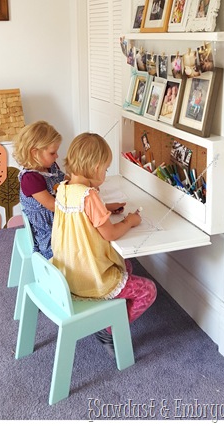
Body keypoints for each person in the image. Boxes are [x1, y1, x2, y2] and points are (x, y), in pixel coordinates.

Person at [51, 133, 157, 356]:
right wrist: (129, 221)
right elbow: (110, 233)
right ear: (96, 167)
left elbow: (82, 216)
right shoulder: (90, 196)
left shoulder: (62, 188)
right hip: (91, 278)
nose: (106, 174)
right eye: (106, 169)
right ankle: (110, 329)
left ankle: (110, 313)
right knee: (148, 290)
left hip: (68, 273)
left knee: (125, 267)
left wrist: (106, 207)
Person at [12, 121, 65, 260]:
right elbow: (53, 206)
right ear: (35, 153)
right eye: (53, 153)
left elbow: (65, 179)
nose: (56, 156)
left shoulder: (50, 166)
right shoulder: (31, 179)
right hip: (49, 229)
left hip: (59, 217)